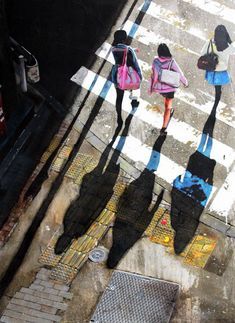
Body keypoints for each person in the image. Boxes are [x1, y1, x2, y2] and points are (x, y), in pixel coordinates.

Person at [149, 43, 188, 135]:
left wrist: (152, 87)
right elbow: (180, 74)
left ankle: (168, 114)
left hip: (160, 88)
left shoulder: (155, 61)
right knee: (167, 107)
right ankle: (163, 128)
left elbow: (154, 75)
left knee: (166, 101)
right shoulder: (172, 62)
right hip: (170, 89)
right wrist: (185, 83)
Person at [111, 30, 142, 126]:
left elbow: (122, 54)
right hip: (129, 74)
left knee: (119, 98)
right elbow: (134, 63)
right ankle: (134, 101)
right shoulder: (128, 50)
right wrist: (140, 76)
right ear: (124, 39)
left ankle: (119, 118)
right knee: (133, 85)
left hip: (118, 75)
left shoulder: (114, 49)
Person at [201, 25, 235, 110]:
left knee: (215, 86)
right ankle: (219, 99)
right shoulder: (226, 45)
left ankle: (213, 99)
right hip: (222, 70)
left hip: (211, 68)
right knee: (221, 86)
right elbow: (233, 51)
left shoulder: (209, 42)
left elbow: (202, 53)